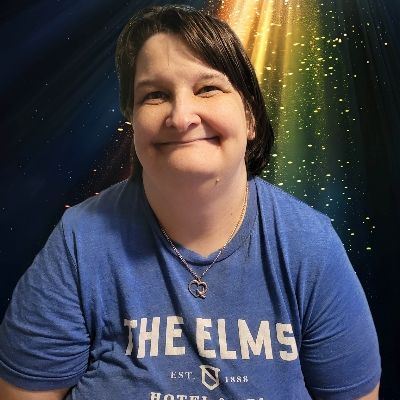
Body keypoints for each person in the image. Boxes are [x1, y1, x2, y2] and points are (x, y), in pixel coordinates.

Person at [0, 4, 381, 400]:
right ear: (133, 122)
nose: (182, 117)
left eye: (207, 88)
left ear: (250, 117)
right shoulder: (79, 240)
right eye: (155, 95)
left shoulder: (311, 245)